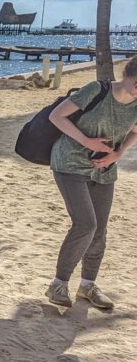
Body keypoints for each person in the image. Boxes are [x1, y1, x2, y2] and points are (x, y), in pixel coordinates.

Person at [44, 57, 137, 309]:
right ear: (128, 73)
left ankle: (87, 285)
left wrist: (119, 153)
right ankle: (58, 284)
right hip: (69, 162)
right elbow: (57, 116)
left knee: (100, 230)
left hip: (104, 168)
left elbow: (135, 131)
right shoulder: (97, 90)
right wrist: (87, 141)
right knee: (86, 224)